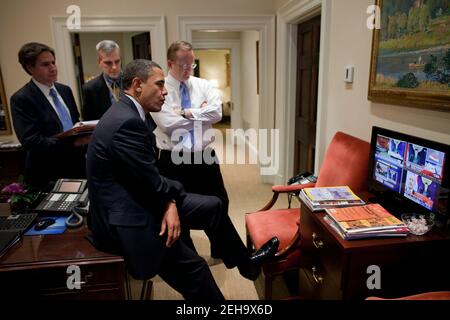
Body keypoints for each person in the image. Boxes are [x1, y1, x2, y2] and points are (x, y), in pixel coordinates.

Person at [86, 59, 279, 301]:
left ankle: (245, 264)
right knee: (195, 270)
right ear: (137, 85)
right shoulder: (126, 122)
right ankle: (238, 269)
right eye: (158, 84)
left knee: (215, 206)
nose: (165, 91)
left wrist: (170, 200)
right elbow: (153, 182)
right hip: (128, 216)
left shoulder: (130, 112)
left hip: (140, 196)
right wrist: (171, 199)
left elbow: (148, 177)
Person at [151, 41, 227, 258]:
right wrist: (201, 115)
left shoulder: (203, 84)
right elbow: (168, 124)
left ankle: (220, 250)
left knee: (221, 202)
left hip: (205, 156)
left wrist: (186, 112)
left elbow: (217, 114)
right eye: (183, 64)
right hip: (174, 159)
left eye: (191, 64)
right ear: (170, 63)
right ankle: (189, 257)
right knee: (181, 210)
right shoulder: (160, 87)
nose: (188, 69)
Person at [10, 42, 87, 188]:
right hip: (47, 174)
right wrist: (71, 143)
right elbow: (31, 141)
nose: (53, 68)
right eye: (45, 65)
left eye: (53, 62)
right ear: (30, 68)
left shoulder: (65, 90)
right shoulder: (22, 98)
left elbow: (75, 123)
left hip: (77, 167)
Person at [82, 40, 123, 121]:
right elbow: (89, 121)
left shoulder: (133, 82)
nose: (114, 67)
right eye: (108, 63)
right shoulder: (90, 89)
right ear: (99, 62)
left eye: (117, 61)